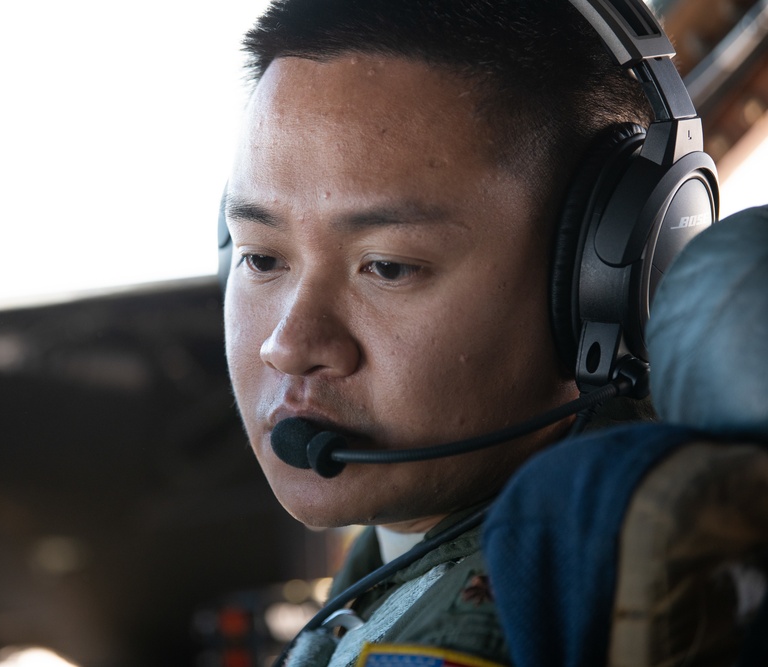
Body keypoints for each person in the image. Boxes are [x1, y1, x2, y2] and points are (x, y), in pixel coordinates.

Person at [219, 0, 659, 664]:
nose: (289, 342)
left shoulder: (499, 627)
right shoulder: (411, 549)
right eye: (261, 257)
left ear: (601, 285)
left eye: (388, 266)